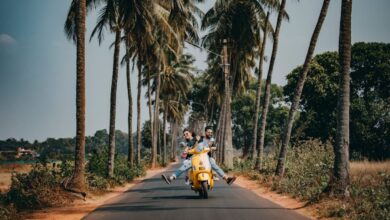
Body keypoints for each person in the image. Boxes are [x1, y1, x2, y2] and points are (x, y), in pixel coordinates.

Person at [161, 128, 236, 185]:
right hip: (194, 158)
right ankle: (171, 178)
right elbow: (187, 148)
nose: (185, 136)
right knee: (184, 166)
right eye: (184, 135)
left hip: (204, 157)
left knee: (213, 163)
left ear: (190, 133)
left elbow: (209, 144)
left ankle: (226, 179)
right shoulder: (190, 142)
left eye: (186, 134)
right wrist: (185, 151)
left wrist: (212, 147)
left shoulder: (199, 138)